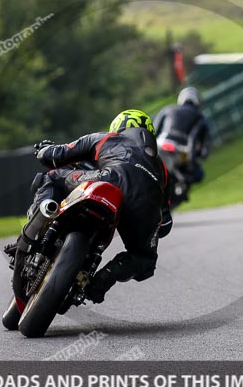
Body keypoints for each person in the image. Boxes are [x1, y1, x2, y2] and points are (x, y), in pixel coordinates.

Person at [28, 109, 172, 304]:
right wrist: (151, 229)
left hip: (110, 179)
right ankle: (101, 282)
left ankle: (38, 223)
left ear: (117, 127)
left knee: (51, 177)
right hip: (145, 206)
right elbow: (165, 225)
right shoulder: (162, 168)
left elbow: (56, 155)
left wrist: (44, 150)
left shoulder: (105, 138)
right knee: (144, 260)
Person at [154, 86, 211, 184]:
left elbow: (153, 131)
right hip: (181, 151)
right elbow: (197, 143)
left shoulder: (167, 109)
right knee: (199, 175)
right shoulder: (200, 118)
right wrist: (194, 162)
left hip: (160, 145)